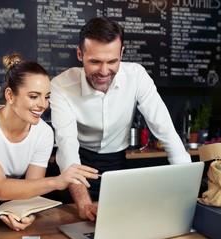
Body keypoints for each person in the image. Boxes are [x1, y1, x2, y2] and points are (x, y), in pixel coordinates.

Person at [50, 17, 191, 221]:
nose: (104, 71)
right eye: (95, 61)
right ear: (80, 54)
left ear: (122, 53)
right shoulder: (61, 86)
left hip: (117, 162)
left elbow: (165, 131)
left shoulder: (137, 77)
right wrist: (83, 203)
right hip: (79, 163)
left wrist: (187, 189)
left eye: (112, 61)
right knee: (77, 224)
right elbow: (67, 145)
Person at [0, 53, 98, 231]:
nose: (43, 104)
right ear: (10, 95)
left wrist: (25, 213)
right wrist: (58, 181)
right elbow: (0, 188)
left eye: (47, 96)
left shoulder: (44, 133)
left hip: (19, 194)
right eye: (34, 96)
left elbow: (32, 190)